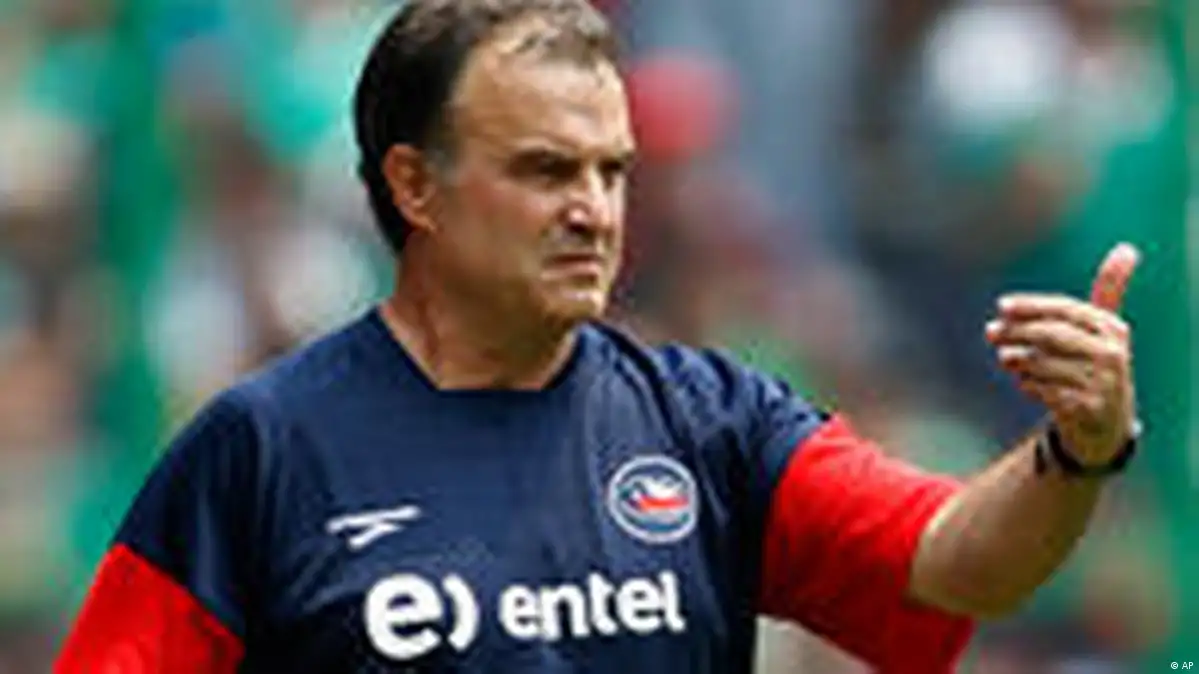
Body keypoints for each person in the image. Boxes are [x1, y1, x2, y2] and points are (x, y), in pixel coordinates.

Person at [54, 1, 1145, 672]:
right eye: (545, 170)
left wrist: (1076, 447)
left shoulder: (710, 421)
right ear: (414, 186)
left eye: (611, 170)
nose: (593, 209)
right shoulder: (261, 451)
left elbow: (956, 564)